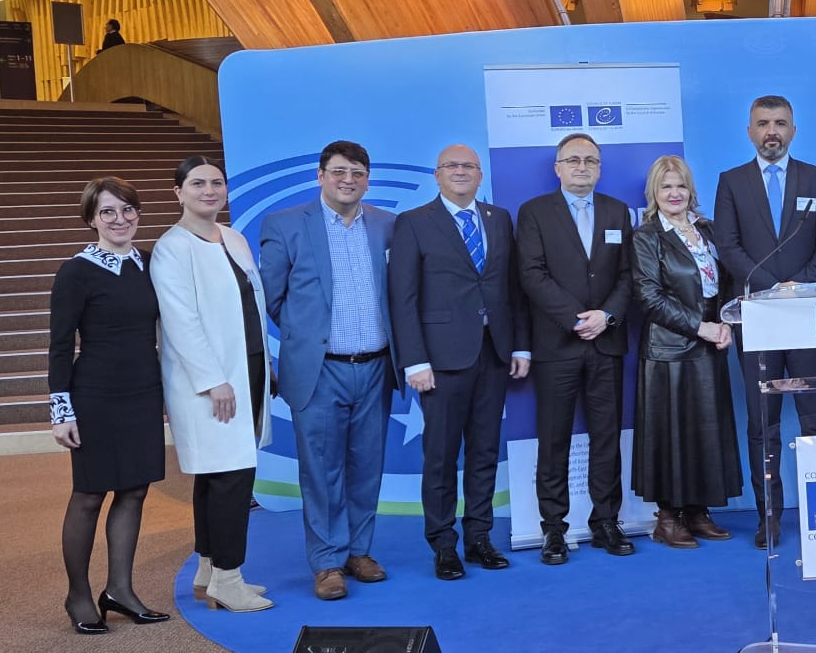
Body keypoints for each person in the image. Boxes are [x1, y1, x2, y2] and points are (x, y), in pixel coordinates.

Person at [258, 140, 399, 600]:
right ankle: (326, 562)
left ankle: (359, 551)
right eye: (339, 171)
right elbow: (273, 298)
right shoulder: (285, 224)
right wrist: (308, 336)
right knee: (321, 470)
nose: (348, 180)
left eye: (357, 173)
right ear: (321, 176)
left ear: (367, 180)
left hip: (376, 367)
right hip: (319, 370)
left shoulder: (387, 225)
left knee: (367, 465)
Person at [389, 144, 530, 580]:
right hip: (440, 359)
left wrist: (520, 346)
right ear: (437, 175)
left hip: (494, 353)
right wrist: (414, 359)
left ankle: (479, 537)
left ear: (480, 175)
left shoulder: (498, 219)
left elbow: (513, 288)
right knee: (441, 456)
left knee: (485, 452)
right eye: (452, 165)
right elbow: (403, 297)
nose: (461, 171)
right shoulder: (414, 222)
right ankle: (443, 544)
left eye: (469, 165)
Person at [712, 95, 816, 547]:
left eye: (781, 123)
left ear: (793, 131)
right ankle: (769, 515)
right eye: (764, 123)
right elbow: (727, 246)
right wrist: (772, 288)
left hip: (806, 317)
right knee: (762, 424)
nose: (772, 131)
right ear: (750, 131)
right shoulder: (731, 182)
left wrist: (798, 286)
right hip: (758, 318)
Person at [150, 156, 273, 613]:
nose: (209, 190)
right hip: (211, 382)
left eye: (216, 182)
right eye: (198, 183)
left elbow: (251, 308)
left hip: (248, 368)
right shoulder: (171, 248)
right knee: (230, 478)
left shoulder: (233, 238)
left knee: (215, 475)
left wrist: (266, 365)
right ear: (178, 192)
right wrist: (213, 380)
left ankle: (207, 569)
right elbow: (179, 321)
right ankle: (228, 578)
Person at [47, 176, 168, 634]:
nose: (120, 219)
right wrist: (61, 410)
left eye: (128, 209)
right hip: (95, 395)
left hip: (143, 391)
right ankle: (78, 595)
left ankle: (120, 589)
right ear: (91, 219)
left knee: (135, 490)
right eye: (108, 212)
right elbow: (60, 345)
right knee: (89, 494)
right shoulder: (75, 272)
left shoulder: (150, 263)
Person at [516, 133, 634, 564]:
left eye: (590, 160)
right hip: (557, 343)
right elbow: (532, 274)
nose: (582, 167)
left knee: (607, 437)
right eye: (573, 160)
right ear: (558, 168)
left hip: (607, 341)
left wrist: (607, 315)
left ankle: (606, 522)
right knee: (554, 440)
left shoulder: (618, 211)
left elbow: (629, 275)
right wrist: (576, 318)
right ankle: (553, 529)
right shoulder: (534, 212)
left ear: (599, 168)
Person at [630, 155, 742, 548]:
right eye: (666, 186)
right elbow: (649, 296)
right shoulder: (647, 237)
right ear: (654, 193)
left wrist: (727, 322)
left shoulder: (707, 230)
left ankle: (697, 512)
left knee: (705, 431)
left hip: (710, 345)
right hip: (668, 350)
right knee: (670, 435)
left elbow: (726, 281)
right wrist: (701, 327)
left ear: (690, 190)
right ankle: (667, 518)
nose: (674, 193)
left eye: (680, 185)